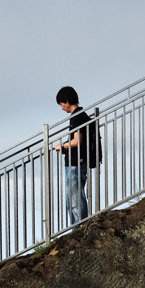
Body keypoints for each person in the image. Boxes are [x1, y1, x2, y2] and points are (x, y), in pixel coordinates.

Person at [55, 86, 90, 225]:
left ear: (67, 101)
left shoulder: (77, 116)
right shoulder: (79, 115)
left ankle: (80, 229)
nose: (62, 108)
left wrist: (62, 146)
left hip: (76, 163)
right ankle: (78, 228)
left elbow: (77, 141)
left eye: (61, 104)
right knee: (72, 200)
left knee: (75, 200)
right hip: (76, 162)